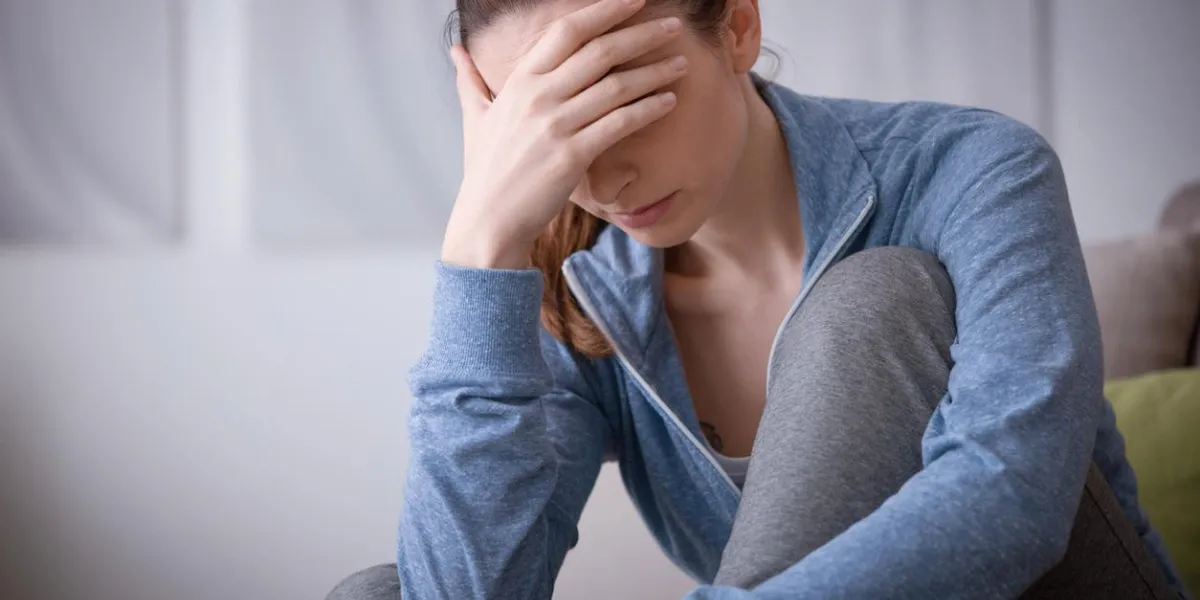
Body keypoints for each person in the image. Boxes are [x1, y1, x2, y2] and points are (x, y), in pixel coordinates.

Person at [329, 0, 1192, 598]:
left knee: (875, 299)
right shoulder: (580, 280)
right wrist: (480, 245)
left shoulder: (975, 168)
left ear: (737, 28)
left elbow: (1016, 500)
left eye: (623, 103)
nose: (602, 175)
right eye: (552, 132)